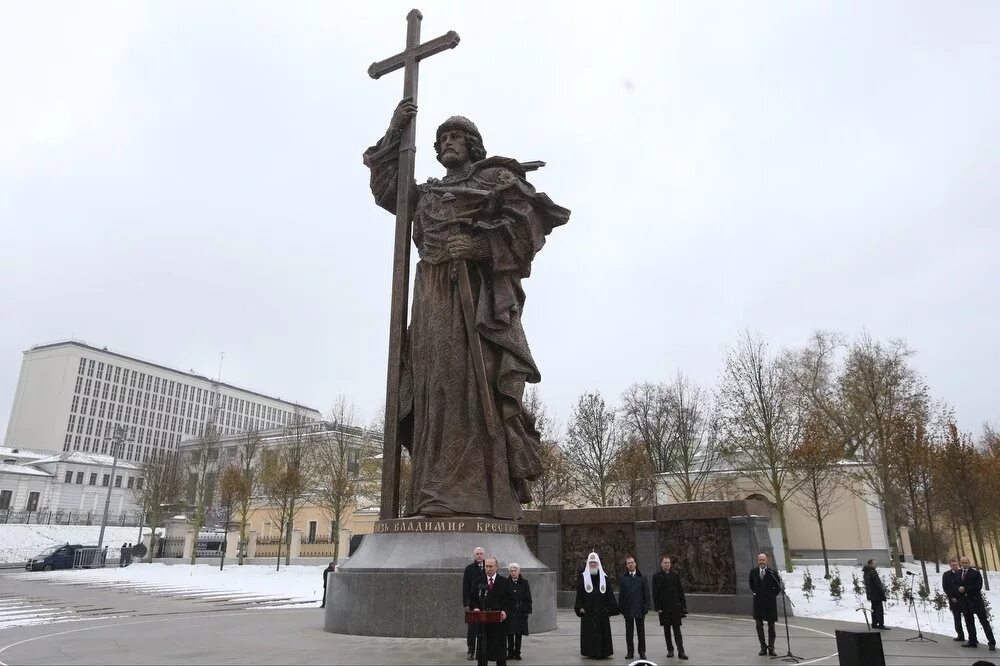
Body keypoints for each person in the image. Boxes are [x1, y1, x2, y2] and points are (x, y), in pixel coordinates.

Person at [363, 101, 570, 521]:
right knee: (430, 385)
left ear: (473, 145)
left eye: (455, 136)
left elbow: (527, 226)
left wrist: (478, 246)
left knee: (466, 387)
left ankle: (469, 493)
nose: (446, 143)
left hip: (471, 299)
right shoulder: (430, 195)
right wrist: (393, 134)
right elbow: (388, 189)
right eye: (441, 139)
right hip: (430, 297)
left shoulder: (492, 179)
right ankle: (430, 489)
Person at [574, 552, 619, 658]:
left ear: (598, 563)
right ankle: (590, 652)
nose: (593, 564)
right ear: (588, 564)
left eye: (594, 562)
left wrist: (611, 608)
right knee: (590, 633)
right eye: (591, 562)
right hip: (588, 611)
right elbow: (579, 593)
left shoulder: (604, 577)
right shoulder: (583, 577)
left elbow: (609, 593)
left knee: (602, 632)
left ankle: (604, 652)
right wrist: (580, 607)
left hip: (601, 611)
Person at [471, 557, 513, 666]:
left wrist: (505, 611)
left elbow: (510, 601)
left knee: (500, 654)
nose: (488, 569)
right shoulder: (478, 581)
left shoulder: (505, 582)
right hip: (483, 624)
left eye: (491, 566)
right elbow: (472, 599)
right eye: (486, 566)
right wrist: (475, 608)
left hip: (499, 623)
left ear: (496, 567)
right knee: (483, 654)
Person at [652, 556, 688, 660]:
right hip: (664, 608)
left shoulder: (675, 575)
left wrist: (683, 605)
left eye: (668, 563)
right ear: (661, 564)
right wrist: (658, 607)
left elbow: (680, 590)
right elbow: (655, 593)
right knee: (667, 630)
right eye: (665, 562)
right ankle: (670, 650)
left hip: (675, 607)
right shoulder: (656, 576)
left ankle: (681, 651)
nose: (667, 564)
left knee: (677, 630)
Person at [958, 556, 997, 651]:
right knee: (969, 623)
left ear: (969, 562)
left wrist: (965, 589)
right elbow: (955, 585)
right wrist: (957, 589)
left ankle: (991, 643)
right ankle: (972, 641)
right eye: (962, 563)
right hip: (965, 602)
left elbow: (978, 586)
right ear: (960, 563)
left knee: (984, 622)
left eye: (966, 562)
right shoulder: (958, 574)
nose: (964, 564)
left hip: (976, 601)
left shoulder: (975, 573)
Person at [619, 555, 651, 660]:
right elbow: (621, 595)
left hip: (639, 609)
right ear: (626, 565)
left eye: (632, 562)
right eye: (628, 563)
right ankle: (630, 652)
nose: (630, 564)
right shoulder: (624, 578)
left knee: (641, 633)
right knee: (629, 633)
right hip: (628, 610)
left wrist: (646, 607)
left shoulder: (642, 577)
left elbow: (646, 594)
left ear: (635, 563)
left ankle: (642, 652)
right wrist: (622, 608)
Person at [749, 553, 781, 657]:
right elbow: (751, 585)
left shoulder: (772, 573)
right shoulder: (753, 572)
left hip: (770, 604)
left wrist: (771, 596)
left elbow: (777, 587)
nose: (761, 561)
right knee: (759, 626)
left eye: (763, 559)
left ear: (767, 560)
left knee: (771, 626)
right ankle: (763, 647)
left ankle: (771, 648)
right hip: (758, 603)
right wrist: (758, 594)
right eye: (760, 560)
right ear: (757, 561)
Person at [463, 547, 488, 660]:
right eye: (477, 554)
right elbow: (466, 587)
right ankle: (471, 650)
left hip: (487, 602)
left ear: (484, 555)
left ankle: (485, 650)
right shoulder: (469, 569)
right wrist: (467, 604)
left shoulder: (489, 567)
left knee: (486, 627)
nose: (479, 555)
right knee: (472, 628)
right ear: (474, 555)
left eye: (481, 553)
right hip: (473, 603)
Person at [505, 563, 531, 661]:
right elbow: (504, 598)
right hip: (510, 612)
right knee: (510, 633)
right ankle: (510, 652)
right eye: (511, 571)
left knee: (519, 633)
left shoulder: (524, 583)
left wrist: (527, 611)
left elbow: (528, 597)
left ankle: (517, 652)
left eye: (515, 570)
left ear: (519, 571)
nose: (513, 572)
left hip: (520, 612)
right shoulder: (506, 583)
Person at [943, 557, 966, 641]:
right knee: (957, 619)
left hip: (963, 600)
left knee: (968, 619)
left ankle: (972, 637)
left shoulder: (962, 573)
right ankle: (960, 635)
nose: (955, 566)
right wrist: (951, 597)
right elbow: (945, 587)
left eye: (956, 565)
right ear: (950, 566)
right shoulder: (946, 575)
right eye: (953, 565)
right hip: (954, 600)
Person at [862, 559, 889, 630]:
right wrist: (882, 592)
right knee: (879, 609)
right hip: (876, 594)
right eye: (874, 563)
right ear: (870, 564)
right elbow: (877, 583)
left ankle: (874, 623)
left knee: (873, 609)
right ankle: (880, 624)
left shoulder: (866, 572)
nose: (876, 565)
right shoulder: (872, 572)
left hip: (871, 594)